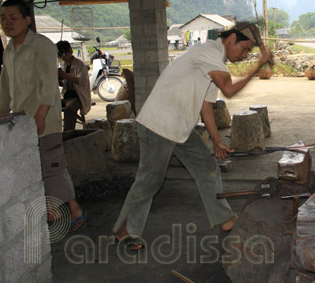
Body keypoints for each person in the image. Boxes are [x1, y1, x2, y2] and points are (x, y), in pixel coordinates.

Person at [113, 22, 271, 250]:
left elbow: (207, 105)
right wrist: (258, 64)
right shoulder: (208, 52)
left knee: (207, 167)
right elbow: (229, 89)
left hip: (181, 126)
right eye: (245, 48)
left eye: (249, 52)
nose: (245, 54)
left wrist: (216, 139)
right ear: (230, 39)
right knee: (149, 180)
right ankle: (125, 229)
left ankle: (224, 218)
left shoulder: (215, 61)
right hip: (159, 123)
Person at [0, 0, 86, 231]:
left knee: (52, 165)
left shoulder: (42, 46)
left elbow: (49, 84)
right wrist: (2, 110)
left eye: (13, 17)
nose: (7, 22)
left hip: (43, 119)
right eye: (3, 18)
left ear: (27, 20)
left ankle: (72, 207)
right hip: (19, 121)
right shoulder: (9, 49)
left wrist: (39, 117)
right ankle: (52, 209)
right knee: (31, 166)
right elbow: (5, 84)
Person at [56, 40, 92, 131]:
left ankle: (68, 133)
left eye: (64, 53)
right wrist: (60, 80)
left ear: (70, 51)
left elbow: (83, 82)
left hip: (78, 97)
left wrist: (65, 76)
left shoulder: (79, 65)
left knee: (69, 109)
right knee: (51, 106)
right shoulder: (63, 65)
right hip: (67, 96)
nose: (62, 57)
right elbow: (65, 83)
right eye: (60, 55)